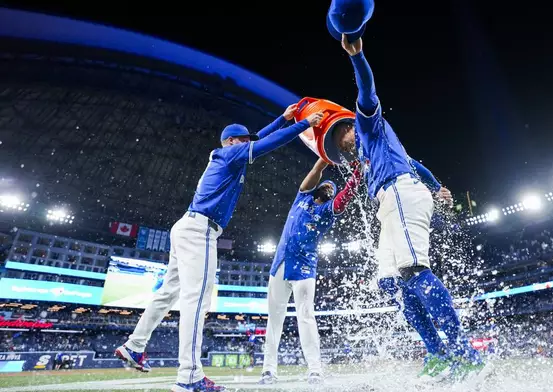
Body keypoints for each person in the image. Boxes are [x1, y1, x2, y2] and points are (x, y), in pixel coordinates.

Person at [114, 105, 324, 392]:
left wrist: (283, 119)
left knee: (167, 295)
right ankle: (189, 377)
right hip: (200, 231)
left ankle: (134, 346)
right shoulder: (230, 153)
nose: (249, 143)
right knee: (197, 301)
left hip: (188, 227)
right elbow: (265, 144)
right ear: (233, 142)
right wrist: (303, 125)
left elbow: (258, 137)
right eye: (244, 140)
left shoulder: (228, 154)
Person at [333, 34, 485, 382]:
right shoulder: (370, 157)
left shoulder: (368, 126)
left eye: (341, 133)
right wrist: (436, 186)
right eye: (338, 140)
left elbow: (367, 93)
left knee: (414, 270)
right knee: (390, 282)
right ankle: (438, 354)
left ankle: (465, 353)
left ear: (350, 125)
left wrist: (356, 56)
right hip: (392, 200)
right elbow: (417, 162)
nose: (342, 141)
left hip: (400, 194)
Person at [259, 158, 362, 385]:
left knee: (306, 317)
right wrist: (324, 156)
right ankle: (268, 370)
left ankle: (315, 370)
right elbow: (316, 170)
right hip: (280, 264)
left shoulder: (327, 210)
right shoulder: (302, 198)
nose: (329, 188)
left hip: (304, 268)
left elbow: (344, 197)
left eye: (332, 189)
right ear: (318, 187)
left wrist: (356, 176)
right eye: (326, 185)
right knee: (274, 320)